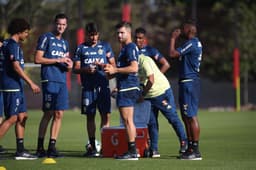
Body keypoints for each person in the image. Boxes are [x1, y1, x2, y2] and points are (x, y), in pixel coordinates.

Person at [73, 22, 116, 157]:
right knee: (90, 117)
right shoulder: (81, 48)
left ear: (98, 34)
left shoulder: (105, 47)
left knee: (105, 115)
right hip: (88, 88)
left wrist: (104, 66)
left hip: (103, 87)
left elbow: (113, 66)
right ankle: (92, 146)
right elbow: (75, 68)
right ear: (86, 35)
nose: (94, 38)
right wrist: (86, 70)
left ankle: (105, 146)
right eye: (91, 35)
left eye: (95, 35)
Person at [0, 18, 41, 160]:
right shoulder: (12, 45)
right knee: (12, 118)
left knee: (23, 116)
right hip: (11, 86)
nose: (27, 35)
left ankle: (20, 150)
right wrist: (31, 83)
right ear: (19, 32)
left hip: (16, 86)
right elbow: (16, 67)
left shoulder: (10, 44)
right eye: (26, 32)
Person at [34, 13, 73, 158]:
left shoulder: (65, 43)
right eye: (58, 24)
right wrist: (57, 60)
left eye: (63, 24)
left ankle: (52, 147)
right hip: (49, 80)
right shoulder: (46, 38)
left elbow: (65, 63)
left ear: (66, 26)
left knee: (59, 114)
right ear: (54, 23)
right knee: (48, 113)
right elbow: (37, 59)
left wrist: (69, 65)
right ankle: (39, 147)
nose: (61, 27)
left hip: (62, 81)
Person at [138, 54, 187, 158]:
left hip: (161, 92)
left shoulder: (143, 60)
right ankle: (154, 149)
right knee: (151, 123)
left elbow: (151, 79)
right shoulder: (129, 63)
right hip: (148, 96)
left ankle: (184, 143)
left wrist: (142, 94)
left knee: (172, 118)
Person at [104, 21, 140, 160]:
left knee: (127, 120)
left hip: (128, 87)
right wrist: (109, 71)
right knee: (127, 120)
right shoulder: (125, 48)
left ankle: (132, 151)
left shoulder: (130, 47)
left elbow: (134, 68)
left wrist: (115, 69)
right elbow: (119, 71)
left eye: (122, 32)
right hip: (125, 86)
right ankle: (132, 149)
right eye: (118, 33)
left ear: (129, 33)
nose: (119, 35)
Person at [169, 20, 202, 160]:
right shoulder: (192, 43)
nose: (181, 30)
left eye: (183, 28)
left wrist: (172, 38)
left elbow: (172, 54)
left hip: (189, 82)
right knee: (185, 116)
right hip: (186, 82)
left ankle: (195, 149)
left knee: (191, 115)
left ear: (189, 29)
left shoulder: (192, 43)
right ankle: (190, 147)